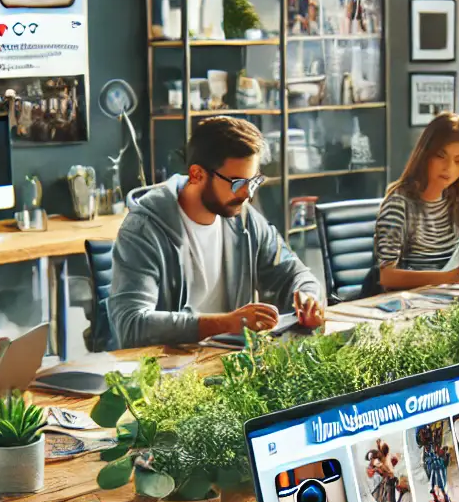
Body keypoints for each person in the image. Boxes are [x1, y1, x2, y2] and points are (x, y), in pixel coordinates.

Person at [109, 116, 325, 347]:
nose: (247, 194)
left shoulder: (244, 218)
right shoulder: (143, 230)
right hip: (166, 373)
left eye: (253, 182)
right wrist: (228, 323)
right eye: (237, 183)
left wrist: (308, 298)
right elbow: (131, 325)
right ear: (197, 175)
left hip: (231, 364)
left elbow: (296, 274)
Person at [372, 113, 459, 292]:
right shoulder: (400, 204)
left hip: (440, 300)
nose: (449, 168)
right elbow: (388, 276)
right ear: (425, 154)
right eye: (440, 156)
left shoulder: (458, 204)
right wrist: (446, 277)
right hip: (402, 303)